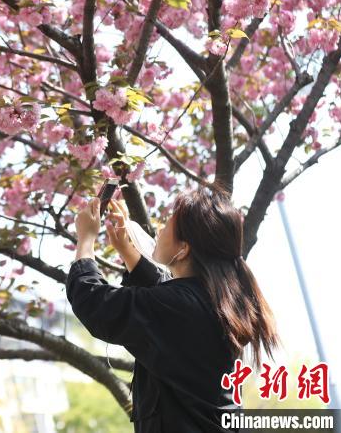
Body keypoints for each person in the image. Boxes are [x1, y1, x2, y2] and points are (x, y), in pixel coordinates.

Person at [66, 181, 280, 433]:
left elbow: (94, 302)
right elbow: (164, 297)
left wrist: (86, 240)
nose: (159, 229)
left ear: (183, 248)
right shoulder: (212, 299)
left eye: (167, 224)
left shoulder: (180, 305)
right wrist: (126, 249)